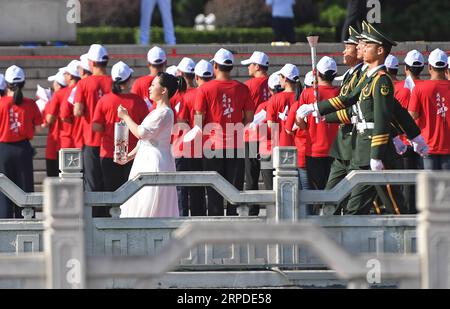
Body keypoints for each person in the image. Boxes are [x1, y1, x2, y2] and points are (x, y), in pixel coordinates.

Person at [194, 48, 254, 216]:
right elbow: (249, 119)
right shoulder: (242, 88)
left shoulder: (205, 89)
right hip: (235, 145)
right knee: (234, 189)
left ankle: (215, 228)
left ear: (215, 66)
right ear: (231, 67)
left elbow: (198, 120)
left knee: (213, 190)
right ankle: (233, 229)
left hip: (211, 145)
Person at [118, 72, 185, 217]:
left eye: (153, 85)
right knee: (139, 201)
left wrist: (125, 116)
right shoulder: (157, 112)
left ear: (163, 90)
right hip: (146, 159)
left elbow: (141, 133)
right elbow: (144, 140)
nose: (149, 88)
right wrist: (128, 156)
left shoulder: (164, 113)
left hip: (154, 162)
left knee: (149, 204)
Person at [93, 61, 149, 192]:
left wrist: (109, 129)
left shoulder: (104, 100)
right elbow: (145, 126)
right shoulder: (138, 101)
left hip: (108, 153)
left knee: (111, 193)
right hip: (133, 154)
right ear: (129, 80)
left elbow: (96, 126)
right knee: (132, 194)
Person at [74, 44, 112, 217]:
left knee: (92, 182)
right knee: (111, 182)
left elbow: (77, 111)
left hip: (91, 138)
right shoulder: (113, 82)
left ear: (91, 62)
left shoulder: (83, 84)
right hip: (111, 140)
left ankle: (95, 219)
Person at [0, 65, 42, 218]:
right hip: (23, 149)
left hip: (3, 150)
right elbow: (38, 129)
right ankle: (26, 226)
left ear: (7, 84)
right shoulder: (31, 104)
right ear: (23, 83)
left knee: (3, 192)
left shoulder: (1, 103)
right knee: (24, 190)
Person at [409, 48, 450, 170]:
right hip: (448, 147)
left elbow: (412, 116)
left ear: (429, 67)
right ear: (446, 67)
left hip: (427, 146)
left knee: (428, 187)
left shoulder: (419, 88)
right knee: (447, 188)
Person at [241, 51, 270, 216]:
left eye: (250, 64)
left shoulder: (250, 85)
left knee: (251, 175)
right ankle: (274, 208)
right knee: (268, 174)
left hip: (252, 135)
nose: (248, 67)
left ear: (257, 66)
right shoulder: (274, 82)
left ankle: (252, 210)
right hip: (269, 134)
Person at [42, 68, 68, 176]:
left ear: (58, 85)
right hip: (70, 145)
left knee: (54, 181)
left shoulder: (52, 101)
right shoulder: (72, 95)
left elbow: (45, 123)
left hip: (54, 145)